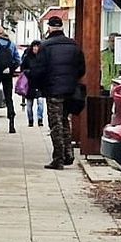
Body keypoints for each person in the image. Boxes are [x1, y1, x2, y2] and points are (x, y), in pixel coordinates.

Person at [32, 16, 86, 170]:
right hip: (70, 89)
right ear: (62, 27)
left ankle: (58, 158)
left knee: (55, 124)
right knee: (64, 121)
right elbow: (82, 68)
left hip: (53, 90)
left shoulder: (45, 46)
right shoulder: (74, 45)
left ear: (49, 28)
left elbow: (39, 70)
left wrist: (40, 86)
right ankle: (68, 154)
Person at [20, 40, 45, 127]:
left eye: (37, 46)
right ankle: (30, 120)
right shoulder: (27, 58)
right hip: (30, 84)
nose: (35, 48)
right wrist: (29, 72)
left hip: (39, 84)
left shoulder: (42, 58)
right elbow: (22, 69)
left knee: (40, 102)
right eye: (34, 46)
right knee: (29, 104)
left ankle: (40, 119)